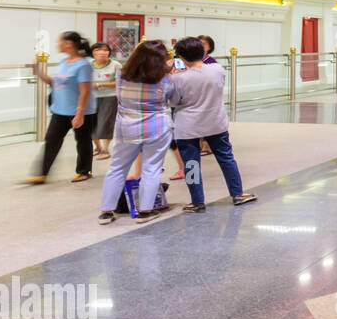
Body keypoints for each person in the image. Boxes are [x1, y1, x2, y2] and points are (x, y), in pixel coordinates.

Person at [168, 37, 255, 211]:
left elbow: (174, 102)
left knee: (191, 164)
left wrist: (173, 76)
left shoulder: (178, 79)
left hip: (188, 126)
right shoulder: (217, 69)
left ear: (181, 57)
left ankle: (197, 201)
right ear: (203, 52)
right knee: (226, 158)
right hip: (215, 121)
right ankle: (238, 193)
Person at [97, 40, 174, 224]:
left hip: (127, 127)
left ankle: (106, 212)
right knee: (151, 168)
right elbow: (170, 97)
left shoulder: (121, 75)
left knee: (117, 168)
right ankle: (145, 211)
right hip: (156, 126)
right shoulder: (165, 79)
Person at [27, 31, 96, 184]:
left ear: (69, 44)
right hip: (60, 110)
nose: (58, 44)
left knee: (83, 140)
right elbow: (55, 82)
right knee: (51, 140)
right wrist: (39, 73)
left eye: (60, 42)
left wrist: (79, 114)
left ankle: (84, 171)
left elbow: (85, 92)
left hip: (81, 110)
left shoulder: (83, 65)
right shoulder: (64, 61)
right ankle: (42, 173)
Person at [90, 42, 120, 159]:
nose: (102, 53)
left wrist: (100, 84)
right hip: (91, 97)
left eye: (105, 50)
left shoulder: (115, 65)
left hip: (110, 97)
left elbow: (119, 82)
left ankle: (105, 149)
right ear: (93, 52)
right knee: (91, 123)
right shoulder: (88, 65)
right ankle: (97, 147)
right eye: (98, 50)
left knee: (106, 122)